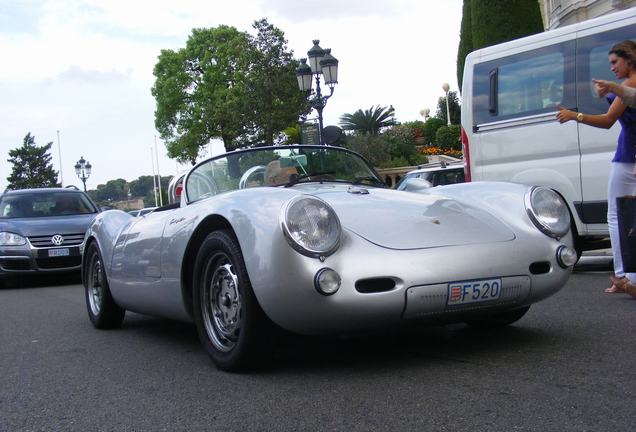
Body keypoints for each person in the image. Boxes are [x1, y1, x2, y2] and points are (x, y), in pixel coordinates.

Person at [556, 40, 636, 295]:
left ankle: (624, 275)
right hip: (629, 156)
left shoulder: (630, 85)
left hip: (628, 158)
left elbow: (607, 121)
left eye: (615, 62)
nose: (612, 67)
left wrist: (574, 115)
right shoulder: (627, 86)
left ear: (629, 59)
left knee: (616, 216)